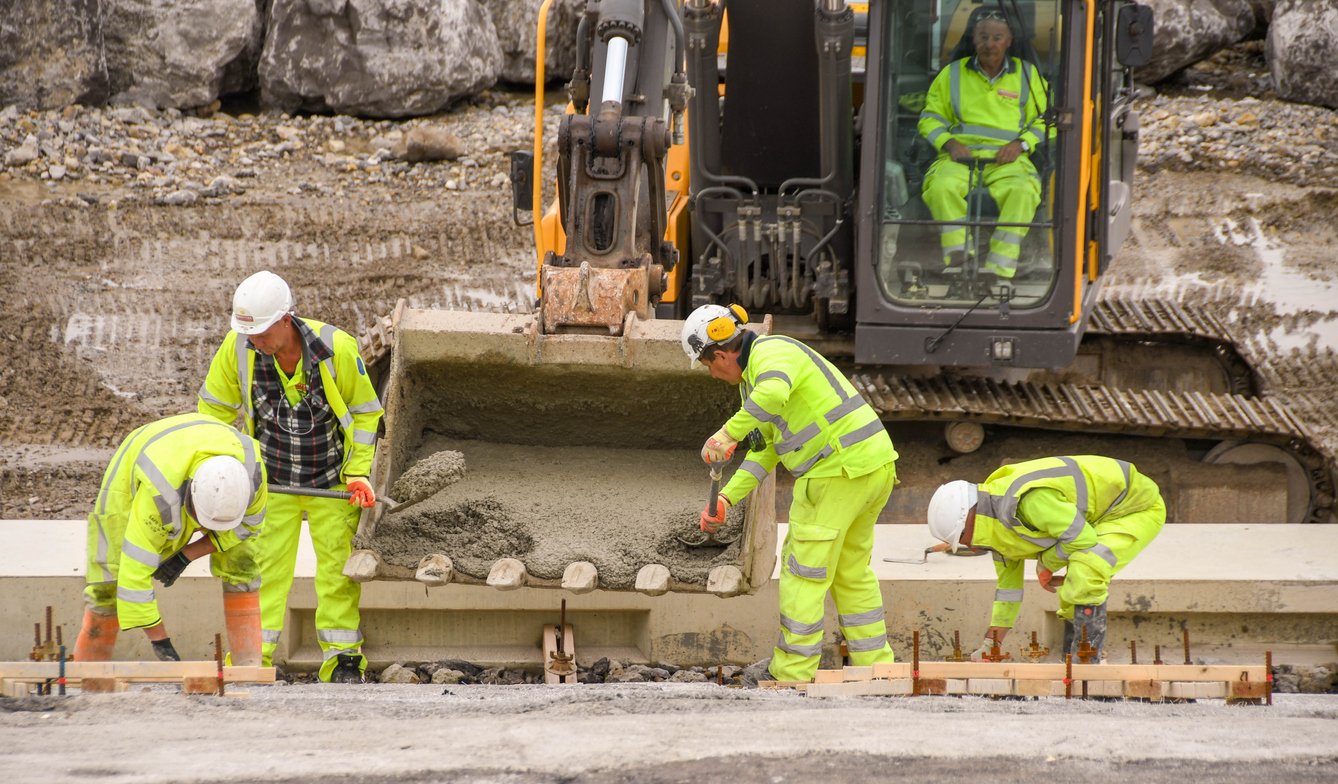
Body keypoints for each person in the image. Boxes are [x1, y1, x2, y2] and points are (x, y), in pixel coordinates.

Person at [683, 303, 898, 683]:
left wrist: (726, 434)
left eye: (707, 366)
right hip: (871, 466)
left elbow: (772, 394)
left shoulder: (772, 353)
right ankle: (876, 669)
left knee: (803, 572)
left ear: (719, 354)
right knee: (851, 572)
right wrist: (725, 500)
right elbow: (765, 451)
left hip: (836, 472)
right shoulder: (758, 377)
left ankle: (792, 673)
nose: (713, 375)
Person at [198, 270, 384, 683]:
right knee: (261, 571)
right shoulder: (239, 347)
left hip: (331, 482)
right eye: (250, 334)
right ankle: (253, 659)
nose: (256, 342)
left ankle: (343, 660)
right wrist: (227, 471)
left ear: (287, 320)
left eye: (263, 332)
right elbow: (213, 412)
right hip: (270, 484)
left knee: (339, 572)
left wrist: (357, 474)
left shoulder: (336, 348)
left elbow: (368, 413)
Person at [926, 455, 1166, 661]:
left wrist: (1045, 565)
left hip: (1135, 506)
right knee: (1074, 583)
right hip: (1099, 515)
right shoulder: (997, 535)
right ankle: (1071, 660)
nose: (970, 546)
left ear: (968, 519)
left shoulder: (1025, 501)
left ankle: (1088, 662)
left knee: (1088, 566)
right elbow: (1008, 592)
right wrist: (991, 645)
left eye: (963, 538)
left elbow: (1082, 538)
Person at [74, 413, 266, 664]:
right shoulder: (159, 494)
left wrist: (186, 555)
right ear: (191, 495)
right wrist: (161, 643)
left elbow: (246, 528)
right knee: (110, 580)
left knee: (242, 560)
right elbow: (134, 576)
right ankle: (91, 678)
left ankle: (249, 666)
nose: (203, 529)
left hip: (202, 444)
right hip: (144, 453)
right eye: (203, 520)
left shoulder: (251, 477)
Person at [918, 9, 1048, 280]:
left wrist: (1021, 145)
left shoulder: (1028, 75)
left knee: (1024, 191)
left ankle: (999, 268)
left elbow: (1047, 121)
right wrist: (950, 143)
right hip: (960, 157)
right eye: (983, 36)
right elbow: (929, 119)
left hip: (1008, 160)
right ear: (973, 38)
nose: (990, 44)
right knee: (941, 187)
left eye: (997, 37)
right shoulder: (952, 74)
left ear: (1009, 40)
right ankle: (959, 256)